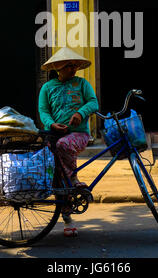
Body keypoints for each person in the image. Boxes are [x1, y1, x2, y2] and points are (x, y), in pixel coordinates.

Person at [38, 47, 99, 237]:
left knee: (64, 146)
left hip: (78, 134)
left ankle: (73, 179)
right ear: (57, 68)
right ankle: (67, 219)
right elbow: (44, 111)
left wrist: (81, 113)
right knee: (57, 177)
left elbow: (93, 103)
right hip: (54, 136)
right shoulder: (47, 88)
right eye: (68, 66)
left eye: (74, 66)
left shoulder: (82, 83)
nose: (73, 69)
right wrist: (51, 124)